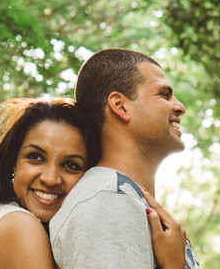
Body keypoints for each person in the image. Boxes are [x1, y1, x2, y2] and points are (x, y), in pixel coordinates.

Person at [49, 48, 201, 269]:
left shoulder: (123, 198)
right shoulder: (107, 202)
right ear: (120, 106)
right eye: (164, 94)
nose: (180, 107)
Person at [0, 97, 96, 269]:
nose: (51, 179)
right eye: (36, 157)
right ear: (13, 162)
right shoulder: (21, 227)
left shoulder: (2, 220)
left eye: (70, 165)